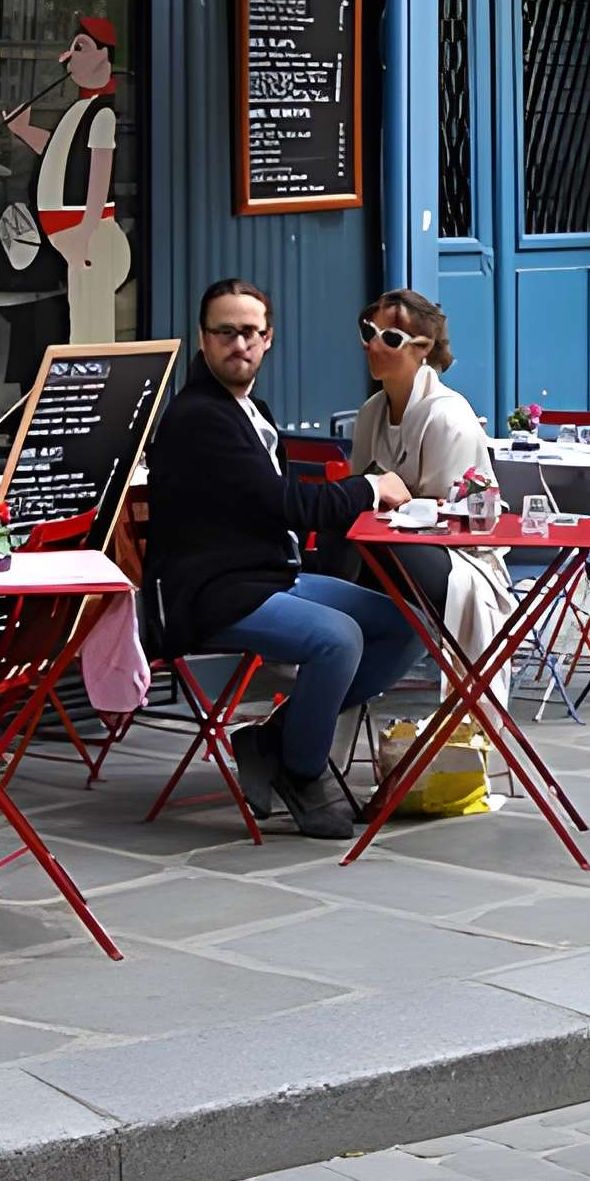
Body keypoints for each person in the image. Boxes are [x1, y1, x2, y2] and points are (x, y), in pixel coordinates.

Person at [145, 279, 417, 839]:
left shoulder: (249, 410)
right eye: (225, 332)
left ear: (267, 340)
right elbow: (288, 504)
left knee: (405, 623)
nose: (238, 343)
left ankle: (272, 740)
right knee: (337, 639)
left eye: (250, 332)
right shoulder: (200, 417)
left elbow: (277, 502)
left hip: (267, 577)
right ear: (202, 339)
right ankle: (301, 770)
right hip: (210, 592)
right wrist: (369, 487)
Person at [342, 289, 511, 699]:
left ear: (423, 349)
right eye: (369, 331)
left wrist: (398, 501)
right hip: (384, 546)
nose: (373, 345)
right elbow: (359, 492)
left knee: (370, 544)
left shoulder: (447, 416)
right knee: (344, 532)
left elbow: (456, 519)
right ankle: (328, 657)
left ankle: (334, 649)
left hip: (459, 560)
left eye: (390, 338)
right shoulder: (370, 412)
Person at [5, 16, 128, 344]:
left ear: (103, 55)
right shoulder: (83, 107)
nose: (66, 57)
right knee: (82, 318)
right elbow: (58, 151)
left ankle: (92, 388)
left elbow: (100, 175)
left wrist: (84, 233)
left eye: (79, 47)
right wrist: (22, 131)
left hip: (89, 236)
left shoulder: (102, 112)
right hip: (76, 235)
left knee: (91, 325)